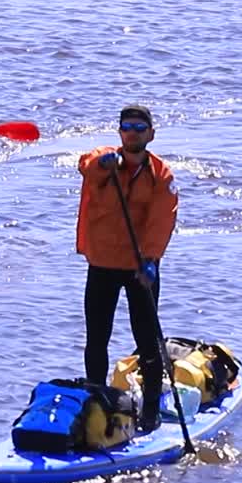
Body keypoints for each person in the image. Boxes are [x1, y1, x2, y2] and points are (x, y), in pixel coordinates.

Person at [76, 105, 178, 432]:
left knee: (147, 339)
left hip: (139, 268)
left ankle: (151, 411)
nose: (132, 133)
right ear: (120, 133)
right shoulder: (103, 161)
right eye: (127, 128)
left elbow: (162, 220)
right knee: (96, 338)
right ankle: (97, 404)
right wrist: (103, 164)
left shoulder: (161, 174)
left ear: (151, 134)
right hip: (102, 264)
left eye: (139, 128)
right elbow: (86, 165)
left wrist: (150, 259)